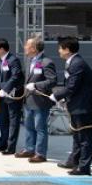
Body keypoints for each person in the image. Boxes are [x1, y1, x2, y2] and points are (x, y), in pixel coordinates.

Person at [51, 36, 92, 176]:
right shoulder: (72, 62)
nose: (59, 51)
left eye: (60, 48)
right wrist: (64, 98)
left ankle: (84, 167)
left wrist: (57, 95)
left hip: (83, 106)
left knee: (84, 138)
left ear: (67, 49)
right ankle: (74, 160)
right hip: (76, 104)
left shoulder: (77, 63)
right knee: (77, 136)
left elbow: (72, 86)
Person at [17, 35, 56, 163]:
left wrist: (36, 85)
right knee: (28, 126)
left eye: (27, 45)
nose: (25, 47)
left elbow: (52, 81)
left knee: (40, 128)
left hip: (40, 102)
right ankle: (29, 149)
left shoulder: (46, 62)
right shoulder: (29, 60)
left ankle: (40, 154)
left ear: (34, 48)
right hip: (28, 99)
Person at [0, 38, 24, 155]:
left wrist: (5, 89)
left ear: (2, 49)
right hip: (3, 96)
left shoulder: (13, 60)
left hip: (13, 95)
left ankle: (11, 147)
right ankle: (2, 144)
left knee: (13, 122)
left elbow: (15, 76)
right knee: (3, 120)